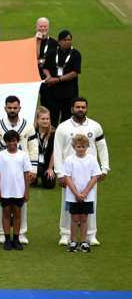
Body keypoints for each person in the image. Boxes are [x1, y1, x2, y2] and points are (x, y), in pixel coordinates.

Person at [53, 97, 109, 246]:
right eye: (77, 107)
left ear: (86, 108)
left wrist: (104, 168)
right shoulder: (63, 127)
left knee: (91, 203)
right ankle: (65, 234)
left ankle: (91, 235)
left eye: (83, 107)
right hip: (69, 173)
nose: (80, 110)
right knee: (68, 204)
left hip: (90, 173)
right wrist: (59, 173)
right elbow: (57, 150)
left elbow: (102, 147)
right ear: (72, 108)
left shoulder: (95, 126)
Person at [0, 95, 38, 244]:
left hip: (23, 168)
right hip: (6, 170)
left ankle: (21, 233)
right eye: (10, 108)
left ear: (19, 108)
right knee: (4, 204)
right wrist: (6, 143)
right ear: (5, 108)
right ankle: (3, 233)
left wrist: (34, 169)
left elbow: (34, 148)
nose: (12, 110)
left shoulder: (28, 126)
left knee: (21, 205)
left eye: (15, 108)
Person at [0, 130, 31, 251]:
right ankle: (7, 239)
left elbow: (26, 175)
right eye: (8, 141)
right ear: (5, 142)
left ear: (17, 141)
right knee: (6, 214)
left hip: (19, 191)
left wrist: (26, 192)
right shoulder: (0, 155)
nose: (11, 143)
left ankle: (16, 239)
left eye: (14, 141)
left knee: (18, 214)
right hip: (5, 192)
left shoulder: (23, 155)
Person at [62, 134, 101, 253]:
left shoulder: (92, 159)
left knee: (84, 218)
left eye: (83, 146)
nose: (81, 149)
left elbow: (95, 176)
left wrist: (84, 193)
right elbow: (67, 177)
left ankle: (84, 242)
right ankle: (73, 241)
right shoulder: (69, 160)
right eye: (78, 146)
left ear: (87, 146)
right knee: (74, 218)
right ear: (74, 147)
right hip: (73, 195)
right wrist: (76, 194)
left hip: (87, 196)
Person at [42, 30, 82, 126]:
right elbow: (45, 67)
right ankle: (52, 139)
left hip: (69, 93)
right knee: (52, 119)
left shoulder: (76, 54)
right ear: (59, 41)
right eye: (65, 40)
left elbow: (74, 73)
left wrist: (57, 80)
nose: (68, 41)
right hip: (53, 93)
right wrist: (48, 76)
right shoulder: (52, 53)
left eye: (69, 39)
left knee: (67, 119)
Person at [34, 17, 58, 107]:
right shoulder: (32, 42)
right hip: (34, 76)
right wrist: (38, 42)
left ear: (48, 27)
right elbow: (33, 58)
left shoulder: (54, 43)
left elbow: (54, 61)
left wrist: (42, 61)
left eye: (45, 26)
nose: (43, 28)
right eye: (41, 26)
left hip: (48, 78)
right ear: (36, 27)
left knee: (47, 103)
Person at [33, 106, 57, 189]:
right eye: (43, 119)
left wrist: (50, 168)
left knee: (49, 185)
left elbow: (55, 152)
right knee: (31, 182)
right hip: (34, 164)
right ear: (37, 120)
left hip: (48, 164)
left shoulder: (54, 133)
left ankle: (44, 175)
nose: (46, 121)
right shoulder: (32, 132)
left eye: (47, 119)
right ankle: (34, 177)